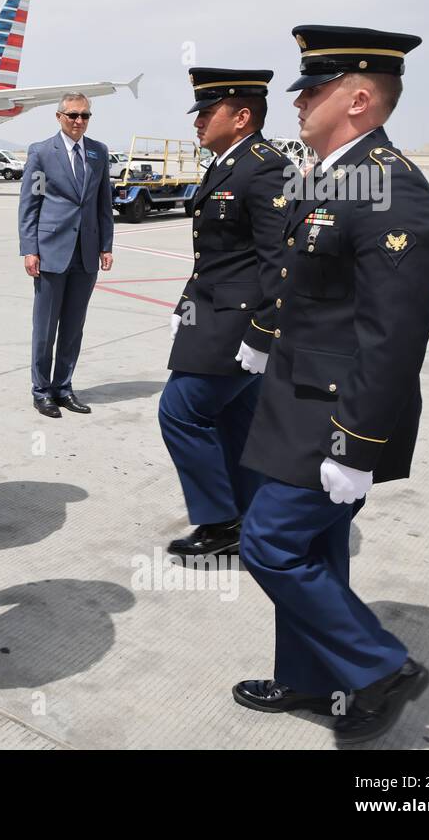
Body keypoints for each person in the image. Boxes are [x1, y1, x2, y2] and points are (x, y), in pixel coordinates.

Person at [235, 25, 429, 745]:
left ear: (357, 98)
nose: (297, 102)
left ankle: (378, 665)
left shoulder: (392, 187)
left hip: (335, 414)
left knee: (269, 544)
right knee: (315, 551)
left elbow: (394, 334)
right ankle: (308, 675)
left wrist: (356, 445)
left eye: (312, 89)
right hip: (294, 403)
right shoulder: (335, 174)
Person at [161, 69, 291, 558]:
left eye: (207, 112)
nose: (197, 122)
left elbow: (282, 260)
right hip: (210, 313)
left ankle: (219, 523)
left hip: (236, 323)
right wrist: (183, 305)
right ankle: (253, 518)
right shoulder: (225, 164)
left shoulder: (264, 167)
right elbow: (216, 253)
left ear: (241, 117)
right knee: (238, 419)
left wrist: (263, 332)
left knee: (180, 411)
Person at [18, 92, 115, 418]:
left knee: (73, 327)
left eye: (85, 116)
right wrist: (30, 249)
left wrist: (106, 245)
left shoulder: (98, 152)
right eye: (73, 115)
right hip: (50, 252)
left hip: (85, 253)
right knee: (45, 328)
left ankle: (63, 387)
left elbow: (104, 203)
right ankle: (41, 390)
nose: (79, 121)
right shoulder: (42, 153)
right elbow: (30, 205)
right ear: (59, 116)